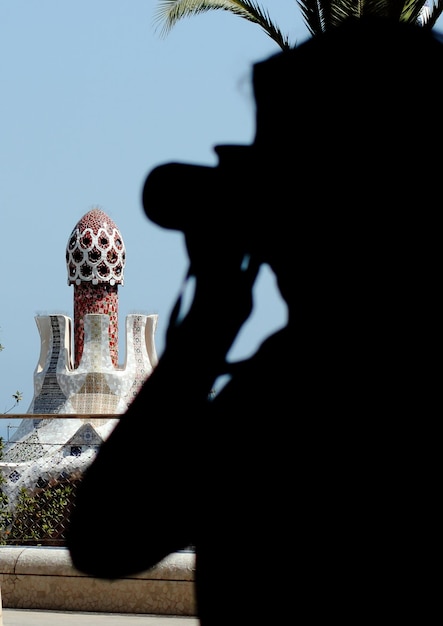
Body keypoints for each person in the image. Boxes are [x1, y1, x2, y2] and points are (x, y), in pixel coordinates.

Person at [67, 17, 440, 624]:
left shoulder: (292, 392)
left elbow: (109, 533)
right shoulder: (302, 376)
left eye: (275, 168)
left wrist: (208, 326)